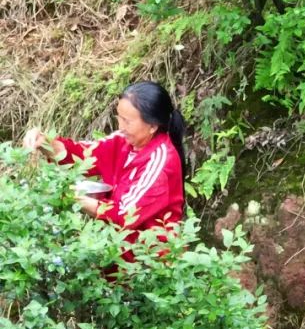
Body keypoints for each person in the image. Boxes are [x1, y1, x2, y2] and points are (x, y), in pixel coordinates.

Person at [23, 81, 186, 248]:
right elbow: (83, 155)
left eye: (127, 121)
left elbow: (125, 215)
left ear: (152, 126)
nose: (120, 127)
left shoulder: (160, 161)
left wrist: (73, 198)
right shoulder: (122, 140)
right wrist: (45, 143)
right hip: (118, 255)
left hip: (148, 264)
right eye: (119, 118)